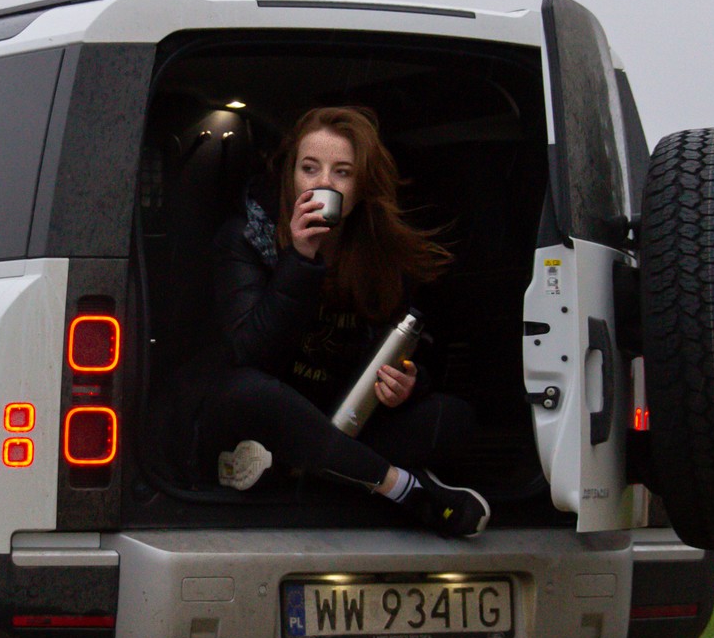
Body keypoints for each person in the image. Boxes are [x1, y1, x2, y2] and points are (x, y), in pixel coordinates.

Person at [188, 105, 490, 538]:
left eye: (342, 173)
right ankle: (404, 489)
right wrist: (300, 258)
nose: (323, 184)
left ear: (362, 186)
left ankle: (297, 472)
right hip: (265, 410)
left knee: (453, 417)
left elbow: (419, 356)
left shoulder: (378, 252)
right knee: (244, 390)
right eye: (310, 169)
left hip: (337, 420)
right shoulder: (244, 238)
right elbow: (249, 353)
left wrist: (409, 382)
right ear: (291, 174)